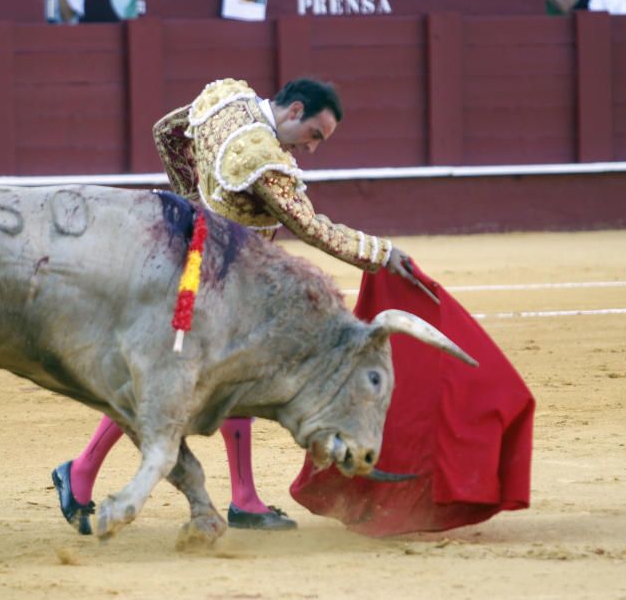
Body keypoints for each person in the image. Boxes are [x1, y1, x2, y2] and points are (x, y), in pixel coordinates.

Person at [52, 77, 425, 534]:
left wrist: (192, 203)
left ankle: (244, 497)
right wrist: (381, 253)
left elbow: (166, 132)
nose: (311, 150)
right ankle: (82, 471)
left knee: (234, 372)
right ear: (294, 112)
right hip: (214, 283)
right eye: (314, 136)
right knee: (165, 382)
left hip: (199, 261)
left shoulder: (227, 98)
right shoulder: (261, 158)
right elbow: (311, 227)